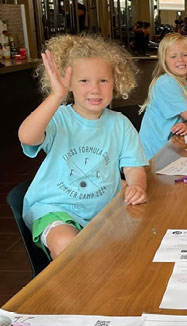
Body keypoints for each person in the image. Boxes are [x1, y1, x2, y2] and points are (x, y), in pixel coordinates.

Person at [18, 35, 148, 260]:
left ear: (116, 82)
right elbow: (28, 137)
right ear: (68, 84)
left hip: (104, 212)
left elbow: (134, 167)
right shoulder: (58, 118)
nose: (95, 89)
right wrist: (56, 97)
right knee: (69, 246)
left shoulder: (120, 124)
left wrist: (137, 186)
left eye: (103, 81)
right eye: (84, 81)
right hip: (55, 209)